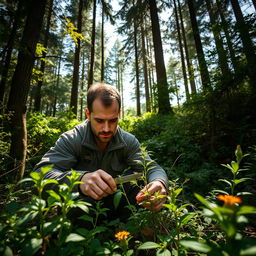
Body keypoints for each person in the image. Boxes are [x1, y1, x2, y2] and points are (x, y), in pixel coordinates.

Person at [34, 82, 168, 225]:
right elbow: (41, 173)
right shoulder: (72, 139)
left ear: (119, 114)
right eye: (99, 120)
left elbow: (152, 167)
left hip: (118, 211)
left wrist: (159, 183)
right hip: (80, 214)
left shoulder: (128, 141)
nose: (106, 128)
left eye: (113, 120)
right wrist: (80, 181)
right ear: (88, 114)